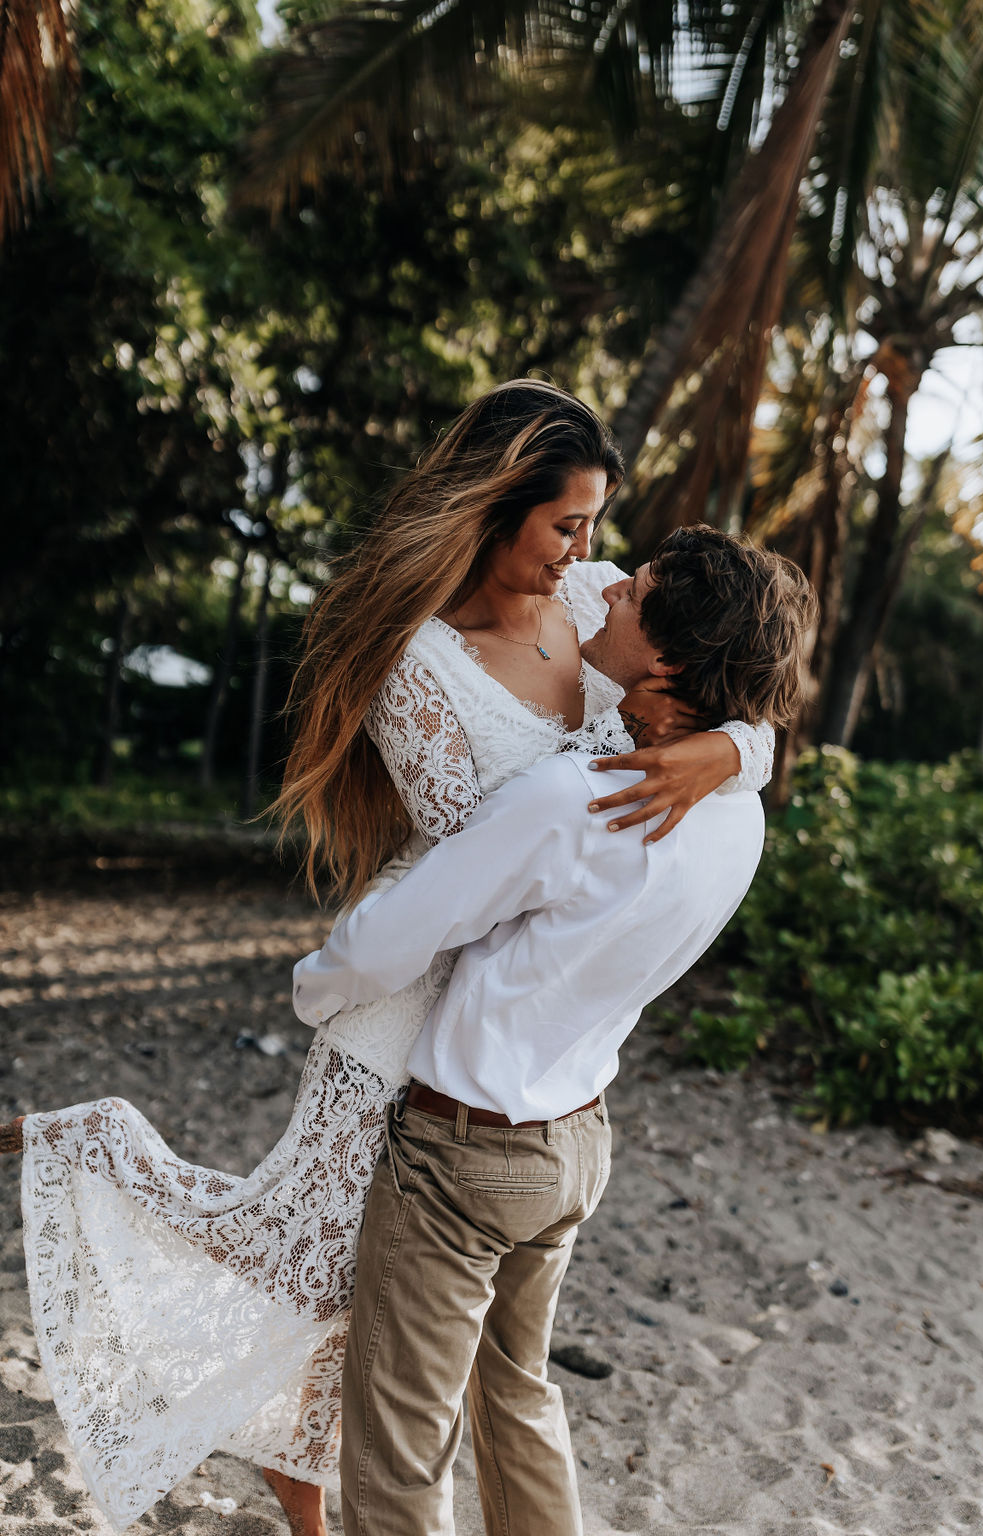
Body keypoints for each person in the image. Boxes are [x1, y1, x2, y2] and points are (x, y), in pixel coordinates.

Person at [2, 382, 773, 1535]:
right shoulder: (417, 659)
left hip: (501, 1034)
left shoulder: (586, 606)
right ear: (498, 506)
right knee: (309, 1287)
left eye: (596, 529)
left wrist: (733, 748)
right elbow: (473, 870)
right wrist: (327, 986)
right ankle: (95, 1147)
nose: (588, 556)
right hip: (397, 1013)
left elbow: (700, 679)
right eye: (567, 524)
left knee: (394, 1328)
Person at [294, 525, 816, 1536]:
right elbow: (730, 725)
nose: (604, 591)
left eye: (637, 593)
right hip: (573, 1142)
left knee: (397, 1460)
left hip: (466, 1155)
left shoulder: (577, 804)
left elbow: (392, 938)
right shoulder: (733, 808)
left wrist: (315, 992)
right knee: (518, 1400)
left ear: (663, 663)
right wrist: (740, 743)